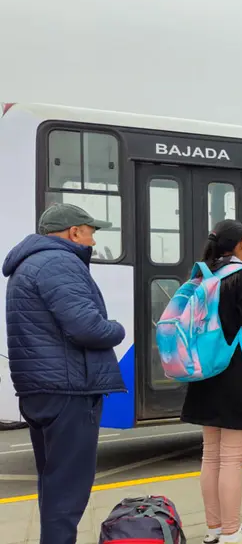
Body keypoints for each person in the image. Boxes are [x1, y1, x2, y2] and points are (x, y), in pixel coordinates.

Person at [2, 204, 126, 544]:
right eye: (90, 231)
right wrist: (117, 329)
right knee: (68, 491)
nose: (93, 240)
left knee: (53, 483)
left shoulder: (28, 264)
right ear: (74, 232)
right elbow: (87, 327)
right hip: (68, 390)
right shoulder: (60, 262)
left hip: (39, 389)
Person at [180, 220, 242, 544]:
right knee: (233, 458)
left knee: (211, 455)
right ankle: (233, 532)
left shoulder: (202, 275)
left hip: (204, 373)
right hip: (236, 374)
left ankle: (215, 529)